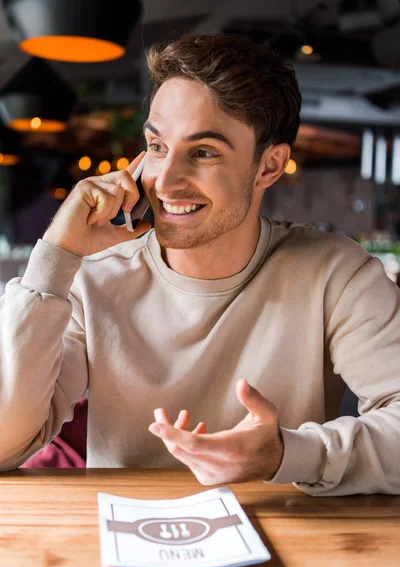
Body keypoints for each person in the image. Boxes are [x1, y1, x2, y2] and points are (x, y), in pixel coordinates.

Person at [0, 34, 399, 496]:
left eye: (203, 152)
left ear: (269, 166)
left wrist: (286, 454)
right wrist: (55, 254)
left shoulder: (337, 274)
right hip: (124, 548)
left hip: (294, 544)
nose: (165, 181)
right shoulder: (94, 278)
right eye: (156, 146)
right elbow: (7, 444)